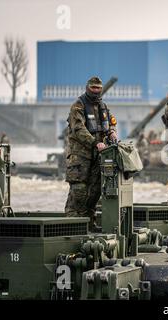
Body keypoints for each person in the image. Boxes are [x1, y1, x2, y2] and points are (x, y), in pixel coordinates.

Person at [64, 76, 118, 229]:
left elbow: (110, 123)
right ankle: (72, 224)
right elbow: (79, 129)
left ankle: (89, 223)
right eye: (93, 88)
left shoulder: (103, 106)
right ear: (87, 88)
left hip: (97, 155)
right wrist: (95, 143)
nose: (95, 91)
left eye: (98, 88)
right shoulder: (78, 106)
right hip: (80, 156)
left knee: (95, 190)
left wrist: (111, 132)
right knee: (79, 190)